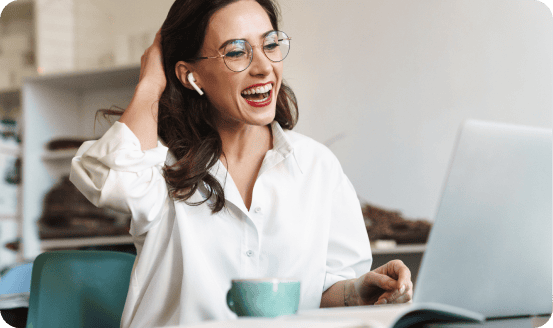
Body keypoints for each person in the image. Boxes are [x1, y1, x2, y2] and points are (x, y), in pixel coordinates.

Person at [70, 0, 413, 327]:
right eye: (236, 52)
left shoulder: (317, 166)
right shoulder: (161, 167)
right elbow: (119, 182)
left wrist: (358, 290)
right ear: (191, 76)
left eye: (271, 45)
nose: (264, 67)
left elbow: (317, 294)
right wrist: (151, 83)